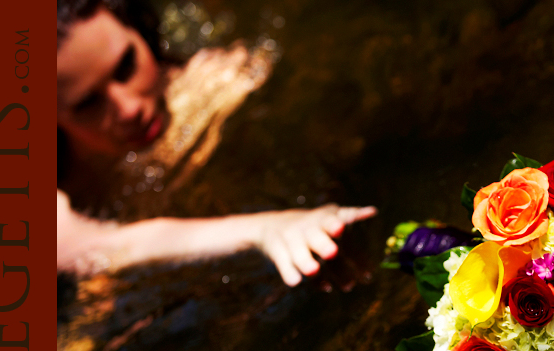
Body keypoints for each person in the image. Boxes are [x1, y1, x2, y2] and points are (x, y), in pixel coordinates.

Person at [56, 0, 376, 286]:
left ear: (137, 28)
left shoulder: (222, 81)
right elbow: (95, 250)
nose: (130, 109)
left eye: (127, 65)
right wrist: (265, 228)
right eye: (87, 103)